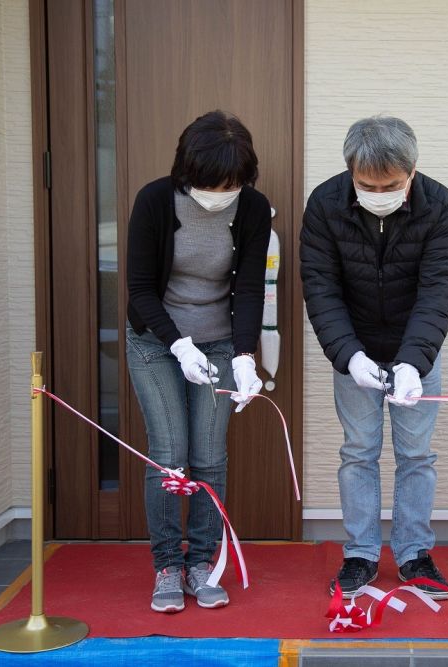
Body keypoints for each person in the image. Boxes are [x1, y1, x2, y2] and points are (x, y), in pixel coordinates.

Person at [300, 115, 448, 600]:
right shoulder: (325, 204)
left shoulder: (441, 206)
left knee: (416, 453)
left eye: (390, 185)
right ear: (350, 172)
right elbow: (320, 287)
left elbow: (439, 289)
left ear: (411, 172)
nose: (378, 191)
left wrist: (414, 361)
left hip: (417, 348)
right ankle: (361, 554)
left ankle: (414, 553)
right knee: (358, 451)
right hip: (353, 348)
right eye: (366, 184)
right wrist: (349, 356)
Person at [126, 110, 271, 613]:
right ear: (187, 171)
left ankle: (202, 562)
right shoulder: (154, 201)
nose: (221, 192)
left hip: (220, 341)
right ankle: (167, 563)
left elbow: (250, 289)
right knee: (169, 452)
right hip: (156, 340)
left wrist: (246, 357)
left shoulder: (253, 208)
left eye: (233, 183)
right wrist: (178, 345)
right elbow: (140, 289)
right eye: (212, 183)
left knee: (209, 454)